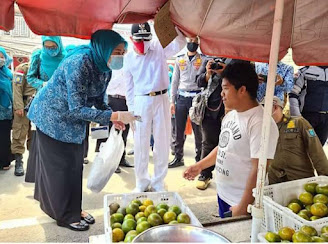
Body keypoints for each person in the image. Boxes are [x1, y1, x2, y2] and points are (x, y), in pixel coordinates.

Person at [27, 30, 137, 231]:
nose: (120, 56)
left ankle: (73, 209)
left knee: (75, 166)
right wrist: (115, 116)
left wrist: (113, 117)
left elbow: (98, 100)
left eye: (123, 52)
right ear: (103, 48)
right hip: (52, 118)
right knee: (61, 169)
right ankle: (65, 215)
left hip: (72, 123)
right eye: (117, 51)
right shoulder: (79, 63)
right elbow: (76, 108)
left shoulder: (105, 68)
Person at [184, 62, 279, 218]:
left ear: (242, 90)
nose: (222, 94)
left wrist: (242, 207)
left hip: (242, 202)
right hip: (223, 195)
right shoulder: (231, 115)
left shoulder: (260, 123)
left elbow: (259, 170)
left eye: (226, 89)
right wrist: (199, 166)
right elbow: (223, 148)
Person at [124, 22, 186, 192]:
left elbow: (180, 43)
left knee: (162, 141)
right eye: (139, 40)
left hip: (161, 99)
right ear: (131, 39)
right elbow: (128, 87)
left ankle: (158, 182)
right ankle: (141, 182)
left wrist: (170, 24)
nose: (143, 43)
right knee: (140, 142)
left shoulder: (158, 48)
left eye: (146, 39)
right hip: (140, 101)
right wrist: (130, 112)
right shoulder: (128, 58)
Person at [25, 37, 66, 183]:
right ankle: (39, 177)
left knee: (58, 142)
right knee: (42, 141)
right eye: (47, 47)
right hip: (43, 103)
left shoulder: (66, 57)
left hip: (62, 105)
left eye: (53, 46)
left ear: (59, 44)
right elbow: (30, 78)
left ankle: (55, 178)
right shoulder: (38, 56)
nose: (50, 50)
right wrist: (43, 84)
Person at [265, 96, 328, 184]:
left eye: (264, 107)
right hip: (276, 183)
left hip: (301, 181)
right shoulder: (264, 130)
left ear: (275, 107)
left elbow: (316, 151)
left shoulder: (299, 123)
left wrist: (325, 179)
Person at [169, 37, 204, 168]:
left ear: (198, 43)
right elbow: (175, 82)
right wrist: (172, 101)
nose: (192, 43)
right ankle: (178, 157)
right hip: (181, 98)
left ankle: (199, 159)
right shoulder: (179, 59)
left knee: (198, 131)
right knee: (179, 130)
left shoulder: (204, 60)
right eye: (190, 40)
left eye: (195, 41)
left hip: (196, 98)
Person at [194, 57, 226, 190]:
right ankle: (205, 174)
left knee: (229, 144)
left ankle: (225, 177)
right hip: (209, 109)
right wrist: (208, 73)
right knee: (207, 143)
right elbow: (198, 81)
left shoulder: (235, 59)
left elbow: (242, 79)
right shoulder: (209, 60)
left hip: (229, 108)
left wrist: (225, 71)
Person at [95, 68, 134, 173]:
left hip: (127, 100)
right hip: (113, 99)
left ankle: (121, 158)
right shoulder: (111, 66)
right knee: (110, 131)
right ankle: (110, 162)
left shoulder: (131, 62)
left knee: (124, 130)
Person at [289, 66, 328, 145]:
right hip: (308, 117)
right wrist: (297, 117)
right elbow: (293, 94)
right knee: (306, 145)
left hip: (325, 119)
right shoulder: (305, 71)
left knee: (319, 148)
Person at [11, 62, 36, 176]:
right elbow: (16, 88)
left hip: (37, 105)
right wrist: (18, 106)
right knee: (19, 132)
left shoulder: (46, 68)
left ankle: (33, 162)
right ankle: (18, 162)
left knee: (35, 135)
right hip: (23, 104)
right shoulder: (22, 68)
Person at [0, 47, 14, 170]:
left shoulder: (8, 74)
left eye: (1, 56)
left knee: (5, 137)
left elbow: (13, 91)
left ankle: (5, 161)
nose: (0, 59)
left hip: (6, 111)